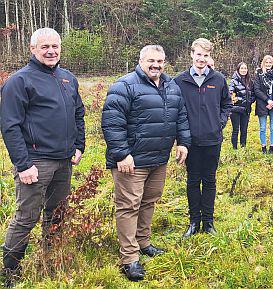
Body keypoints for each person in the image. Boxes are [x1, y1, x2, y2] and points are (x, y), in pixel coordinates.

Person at [0, 27, 85, 287]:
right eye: (44, 46)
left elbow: (78, 114)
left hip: (64, 161)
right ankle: (10, 271)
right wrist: (24, 164)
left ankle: (50, 260)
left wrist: (79, 145)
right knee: (26, 218)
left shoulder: (68, 78)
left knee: (57, 214)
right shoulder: (19, 81)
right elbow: (10, 125)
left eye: (55, 46)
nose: (51, 51)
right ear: (32, 49)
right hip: (36, 163)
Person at [102, 45, 190, 281]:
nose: (156, 65)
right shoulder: (125, 85)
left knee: (149, 202)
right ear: (140, 60)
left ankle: (143, 242)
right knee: (129, 206)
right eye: (151, 60)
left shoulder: (171, 86)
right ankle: (129, 258)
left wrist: (183, 142)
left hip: (158, 159)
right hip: (131, 162)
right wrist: (121, 154)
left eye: (160, 61)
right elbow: (112, 122)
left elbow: (181, 116)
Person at [174, 38, 232, 237]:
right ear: (191, 54)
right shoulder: (179, 81)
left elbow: (227, 104)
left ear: (210, 57)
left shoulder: (218, 79)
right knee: (192, 181)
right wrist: (180, 137)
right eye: (198, 54)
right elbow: (173, 109)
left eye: (206, 55)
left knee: (209, 181)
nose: (201, 58)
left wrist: (219, 122)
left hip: (212, 140)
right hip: (190, 142)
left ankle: (208, 222)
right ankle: (193, 222)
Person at [253, 55, 273, 154]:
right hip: (262, 103)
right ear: (263, 63)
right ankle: (263, 147)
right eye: (266, 62)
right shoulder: (259, 74)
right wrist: (267, 100)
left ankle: (272, 147)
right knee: (262, 128)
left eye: (270, 62)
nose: (268, 64)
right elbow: (256, 90)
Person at [229, 62, 253, 149]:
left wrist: (249, 101)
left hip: (246, 109)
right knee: (235, 130)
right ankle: (234, 149)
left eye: (245, 68)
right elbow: (230, 94)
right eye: (242, 68)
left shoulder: (249, 81)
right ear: (238, 70)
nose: (243, 70)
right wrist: (240, 100)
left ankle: (243, 148)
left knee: (244, 130)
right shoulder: (233, 81)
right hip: (236, 109)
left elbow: (253, 94)